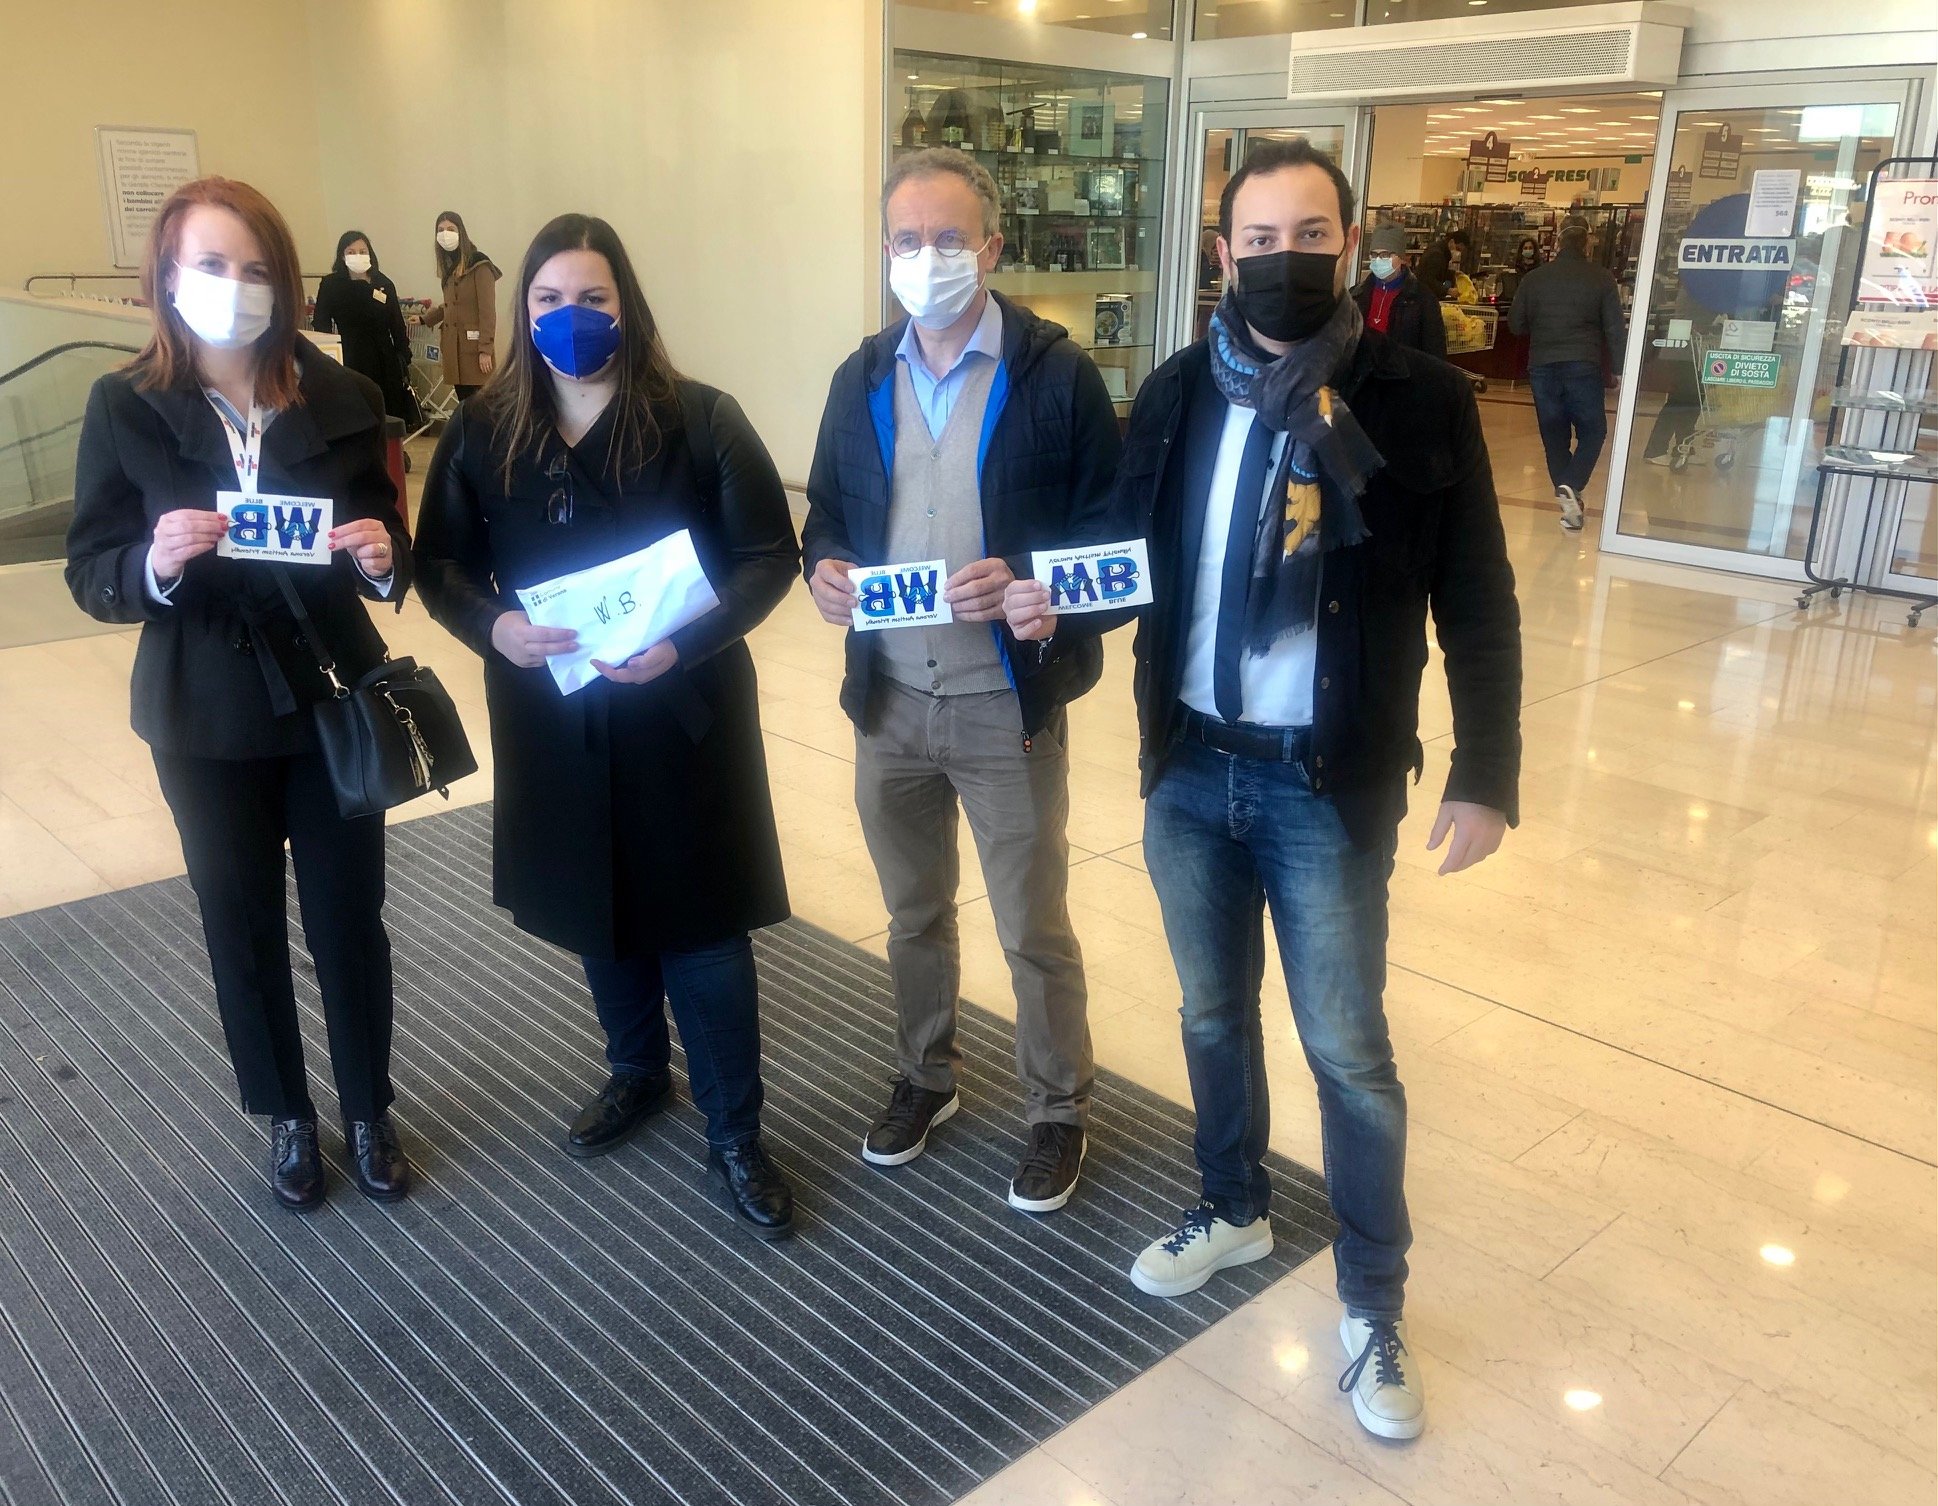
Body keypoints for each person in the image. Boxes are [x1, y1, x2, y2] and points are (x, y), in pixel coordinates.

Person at [1006, 139, 1522, 1441]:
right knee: (1209, 1012)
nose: (1282, 257)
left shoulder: (1419, 400)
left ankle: (1372, 1302)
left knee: (1347, 1050)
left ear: (1347, 245)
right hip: (1189, 767)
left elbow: (1475, 597)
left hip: (1324, 786)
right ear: (1221, 252)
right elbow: (1128, 556)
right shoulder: (1177, 392)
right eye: (1258, 237)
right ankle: (1232, 1204)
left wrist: (1486, 770)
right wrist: (1051, 605)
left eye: (1310, 235)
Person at [413, 212, 800, 1241]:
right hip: (553, 709)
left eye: (592, 298)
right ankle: (636, 1070)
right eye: (549, 299)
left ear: (627, 305)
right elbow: (438, 563)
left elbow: (770, 557)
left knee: (702, 924)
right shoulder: (484, 429)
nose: (571, 316)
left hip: (684, 708)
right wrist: (494, 627)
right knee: (596, 899)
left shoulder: (700, 418)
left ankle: (736, 1132)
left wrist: (688, 642)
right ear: (523, 310)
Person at [64, 176, 414, 1211]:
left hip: (329, 693)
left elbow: (388, 539)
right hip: (204, 707)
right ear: (168, 277)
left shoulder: (343, 397)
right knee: (240, 920)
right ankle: (287, 1115)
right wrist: (154, 563)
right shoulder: (126, 405)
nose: (235, 284)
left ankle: (369, 1107)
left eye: (256, 268)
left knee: (350, 918)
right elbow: (91, 568)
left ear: (286, 283)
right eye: (211, 264)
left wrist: (382, 558)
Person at [802, 148, 1122, 1214]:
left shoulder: (1057, 377)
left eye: (947, 238)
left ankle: (1058, 1109)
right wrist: (824, 570)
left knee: (1032, 926)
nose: (925, 257)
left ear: (990, 249)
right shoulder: (860, 378)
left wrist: (1040, 585)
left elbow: (1112, 536)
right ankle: (926, 1076)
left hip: (1003, 705)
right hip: (889, 699)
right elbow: (827, 517)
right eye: (906, 239)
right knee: (912, 913)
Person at [1508, 216, 1625, 530]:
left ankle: (1570, 503)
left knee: (1554, 436)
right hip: (1582, 364)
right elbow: (1615, 328)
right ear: (1587, 242)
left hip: (1542, 366)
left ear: (1558, 242)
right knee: (1593, 431)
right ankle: (1571, 485)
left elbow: (1516, 324)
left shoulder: (1534, 279)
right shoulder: (1601, 278)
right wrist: (1619, 368)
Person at [311, 230, 419, 425]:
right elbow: (321, 324)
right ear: (342, 256)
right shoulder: (331, 285)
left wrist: (404, 356)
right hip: (350, 357)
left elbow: (396, 324)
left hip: (384, 359)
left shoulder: (383, 283)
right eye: (351, 252)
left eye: (362, 251)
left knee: (387, 416)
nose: (357, 256)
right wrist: (326, 359)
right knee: (356, 415)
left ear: (370, 254)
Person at [421, 212, 499, 400]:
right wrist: (425, 319)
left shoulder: (479, 265)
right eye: (440, 230)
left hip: (474, 350)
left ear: (461, 232)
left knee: (481, 404)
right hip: (454, 349)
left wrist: (485, 350)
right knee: (465, 403)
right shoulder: (450, 268)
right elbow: (451, 306)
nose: (445, 234)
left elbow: (487, 311)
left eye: (450, 229)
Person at [1350, 225, 1446, 358]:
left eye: (1385, 255)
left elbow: (1435, 353)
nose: (1378, 260)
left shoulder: (1422, 300)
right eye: (1374, 254)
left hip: (1404, 370)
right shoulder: (1356, 295)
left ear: (1401, 258)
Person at [1414, 226, 1469, 302]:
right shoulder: (1436, 254)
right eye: (1458, 249)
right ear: (1452, 242)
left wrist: (1453, 274)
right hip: (1423, 298)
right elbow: (1428, 280)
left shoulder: (1441, 251)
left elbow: (1438, 271)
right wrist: (1448, 290)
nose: (1458, 253)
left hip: (1424, 296)